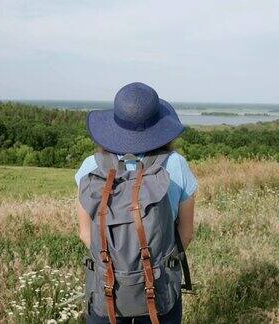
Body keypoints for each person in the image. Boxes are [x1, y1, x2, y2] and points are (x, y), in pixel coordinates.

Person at [75, 82, 197, 324]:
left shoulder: (91, 166)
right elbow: (186, 233)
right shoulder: (176, 164)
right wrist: (155, 266)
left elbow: (85, 233)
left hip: (106, 288)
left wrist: (117, 264)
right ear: (158, 126)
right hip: (159, 290)